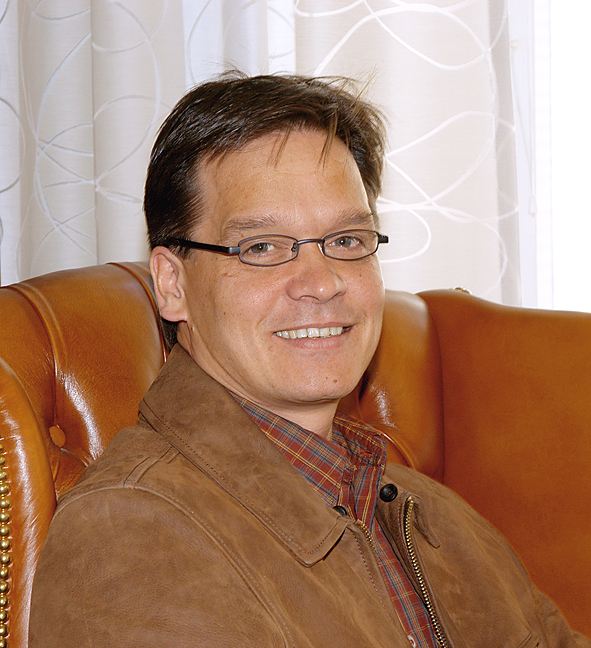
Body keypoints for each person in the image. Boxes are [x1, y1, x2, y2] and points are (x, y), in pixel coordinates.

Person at [29, 73, 589, 647]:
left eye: (346, 240)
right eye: (263, 247)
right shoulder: (133, 535)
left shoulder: (430, 512)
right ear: (172, 284)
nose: (322, 283)